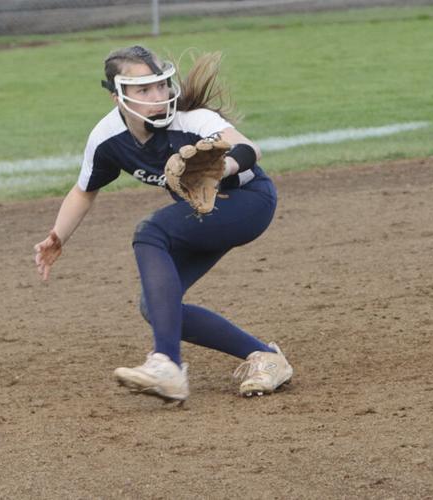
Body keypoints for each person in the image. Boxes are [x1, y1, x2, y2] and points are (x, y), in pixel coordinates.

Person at [33, 45, 293, 402]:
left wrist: (222, 168)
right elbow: (84, 190)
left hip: (249, 202)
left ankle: (167, 365)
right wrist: (58, 236)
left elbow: (249, 149)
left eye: (161, 85)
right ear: (118, 98)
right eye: (144, 90)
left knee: (151, 232)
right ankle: (265, 356)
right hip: (203, 213)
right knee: (156, 306)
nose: (158, 96)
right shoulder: (108, 137)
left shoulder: (190, 119)